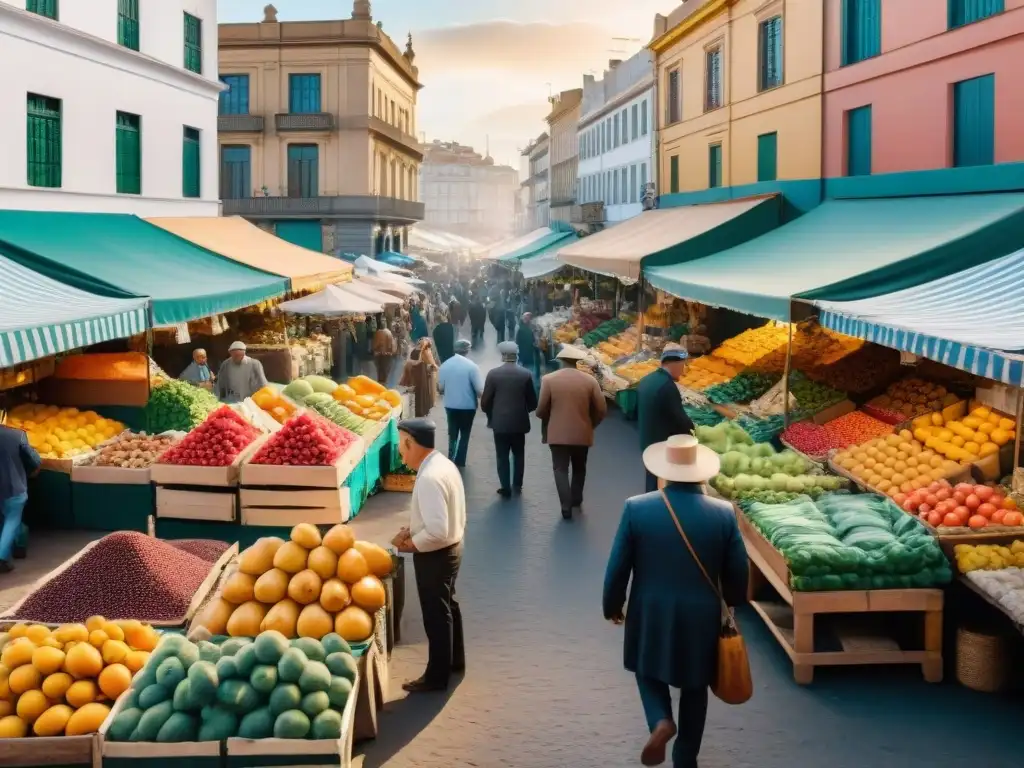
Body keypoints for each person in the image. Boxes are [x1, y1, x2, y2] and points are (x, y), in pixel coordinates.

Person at [603, 434, 748, 768]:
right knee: (695, 686)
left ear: (663, 472)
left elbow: (618, 567)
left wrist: (612, 605)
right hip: (702, 613)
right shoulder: (724, 513)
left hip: (649, 609)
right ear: (702, 473)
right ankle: (685, 758)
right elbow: (739, 570)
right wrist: (732, 602)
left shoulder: (636, 508)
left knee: (646, 669)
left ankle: (660, 721)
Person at [390, 418, 466, 693]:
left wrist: (411, 544)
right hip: (453, 547)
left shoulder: (429, 478)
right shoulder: (443, 465)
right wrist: (413, 527)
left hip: (436, 555)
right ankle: (455, 661)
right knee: (448, 607)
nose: (400, 452)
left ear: (411, 443)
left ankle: (436, 677)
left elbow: (436, 530)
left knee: (436, 615)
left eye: (401, 445)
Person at [536, 345, 607, 520]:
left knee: (560, 469)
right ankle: (576, 498)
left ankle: (565, 505)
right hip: (582, 432)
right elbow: (601, 409)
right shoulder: (590, 381)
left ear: (561, 361)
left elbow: (540, 410)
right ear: (577, 362)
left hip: (557, 434)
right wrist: (590, 423)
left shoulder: (549, 380)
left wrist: (551, 420)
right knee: (579, 467)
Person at [481, 341, 537, 497]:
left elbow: (485, 402)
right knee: (519, 453)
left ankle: (505, 486)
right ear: (516, 356)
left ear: (503, 356)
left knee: (502, 455)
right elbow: (533, 402)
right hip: (519, 423)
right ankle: (517, 483)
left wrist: (491, 413)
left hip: (500, 423)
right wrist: (523, 410)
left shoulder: (493, 374)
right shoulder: (526, 374)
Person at [637, 349, 695, 492]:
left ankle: (649, 503)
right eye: (682, 365)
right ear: (673, 364)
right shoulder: (667, 386)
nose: (683, 371)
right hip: (662, 442)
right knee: (660, 482)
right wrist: (693, 432)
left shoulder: (647, 379)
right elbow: (679, 418)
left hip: (647, 439)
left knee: (651, 475)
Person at [0, 422, 42, 572]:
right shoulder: (17, 435)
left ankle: (18, 546)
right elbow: (34, 459)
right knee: (12, 519)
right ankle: (2, 557)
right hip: (13, 485)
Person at [436, 339, 483, 468]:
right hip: (468, 407)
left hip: (450, 405)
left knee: (452, 433)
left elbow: (440, 388)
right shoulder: (472, 366)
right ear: (467, 350)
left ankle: (451, 457)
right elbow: (479, 390)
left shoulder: (445, 365)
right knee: (465, 433)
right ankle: (460, 460)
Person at [515, 312, 540, 390]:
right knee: (530, 373)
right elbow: (534, 342)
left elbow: (517, 342)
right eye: (528, 318)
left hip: (522, 356)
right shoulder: (527, 330)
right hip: (528, 356)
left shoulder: (521, 329)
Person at [372, 316, 398, 385]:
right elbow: (392, 347)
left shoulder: (379, 332)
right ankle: (384, 386)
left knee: (380, 372)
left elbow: (375, 345)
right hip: (388, 355)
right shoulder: (389, 333)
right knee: (385, 372)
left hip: (380, 355)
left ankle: (381, 387)